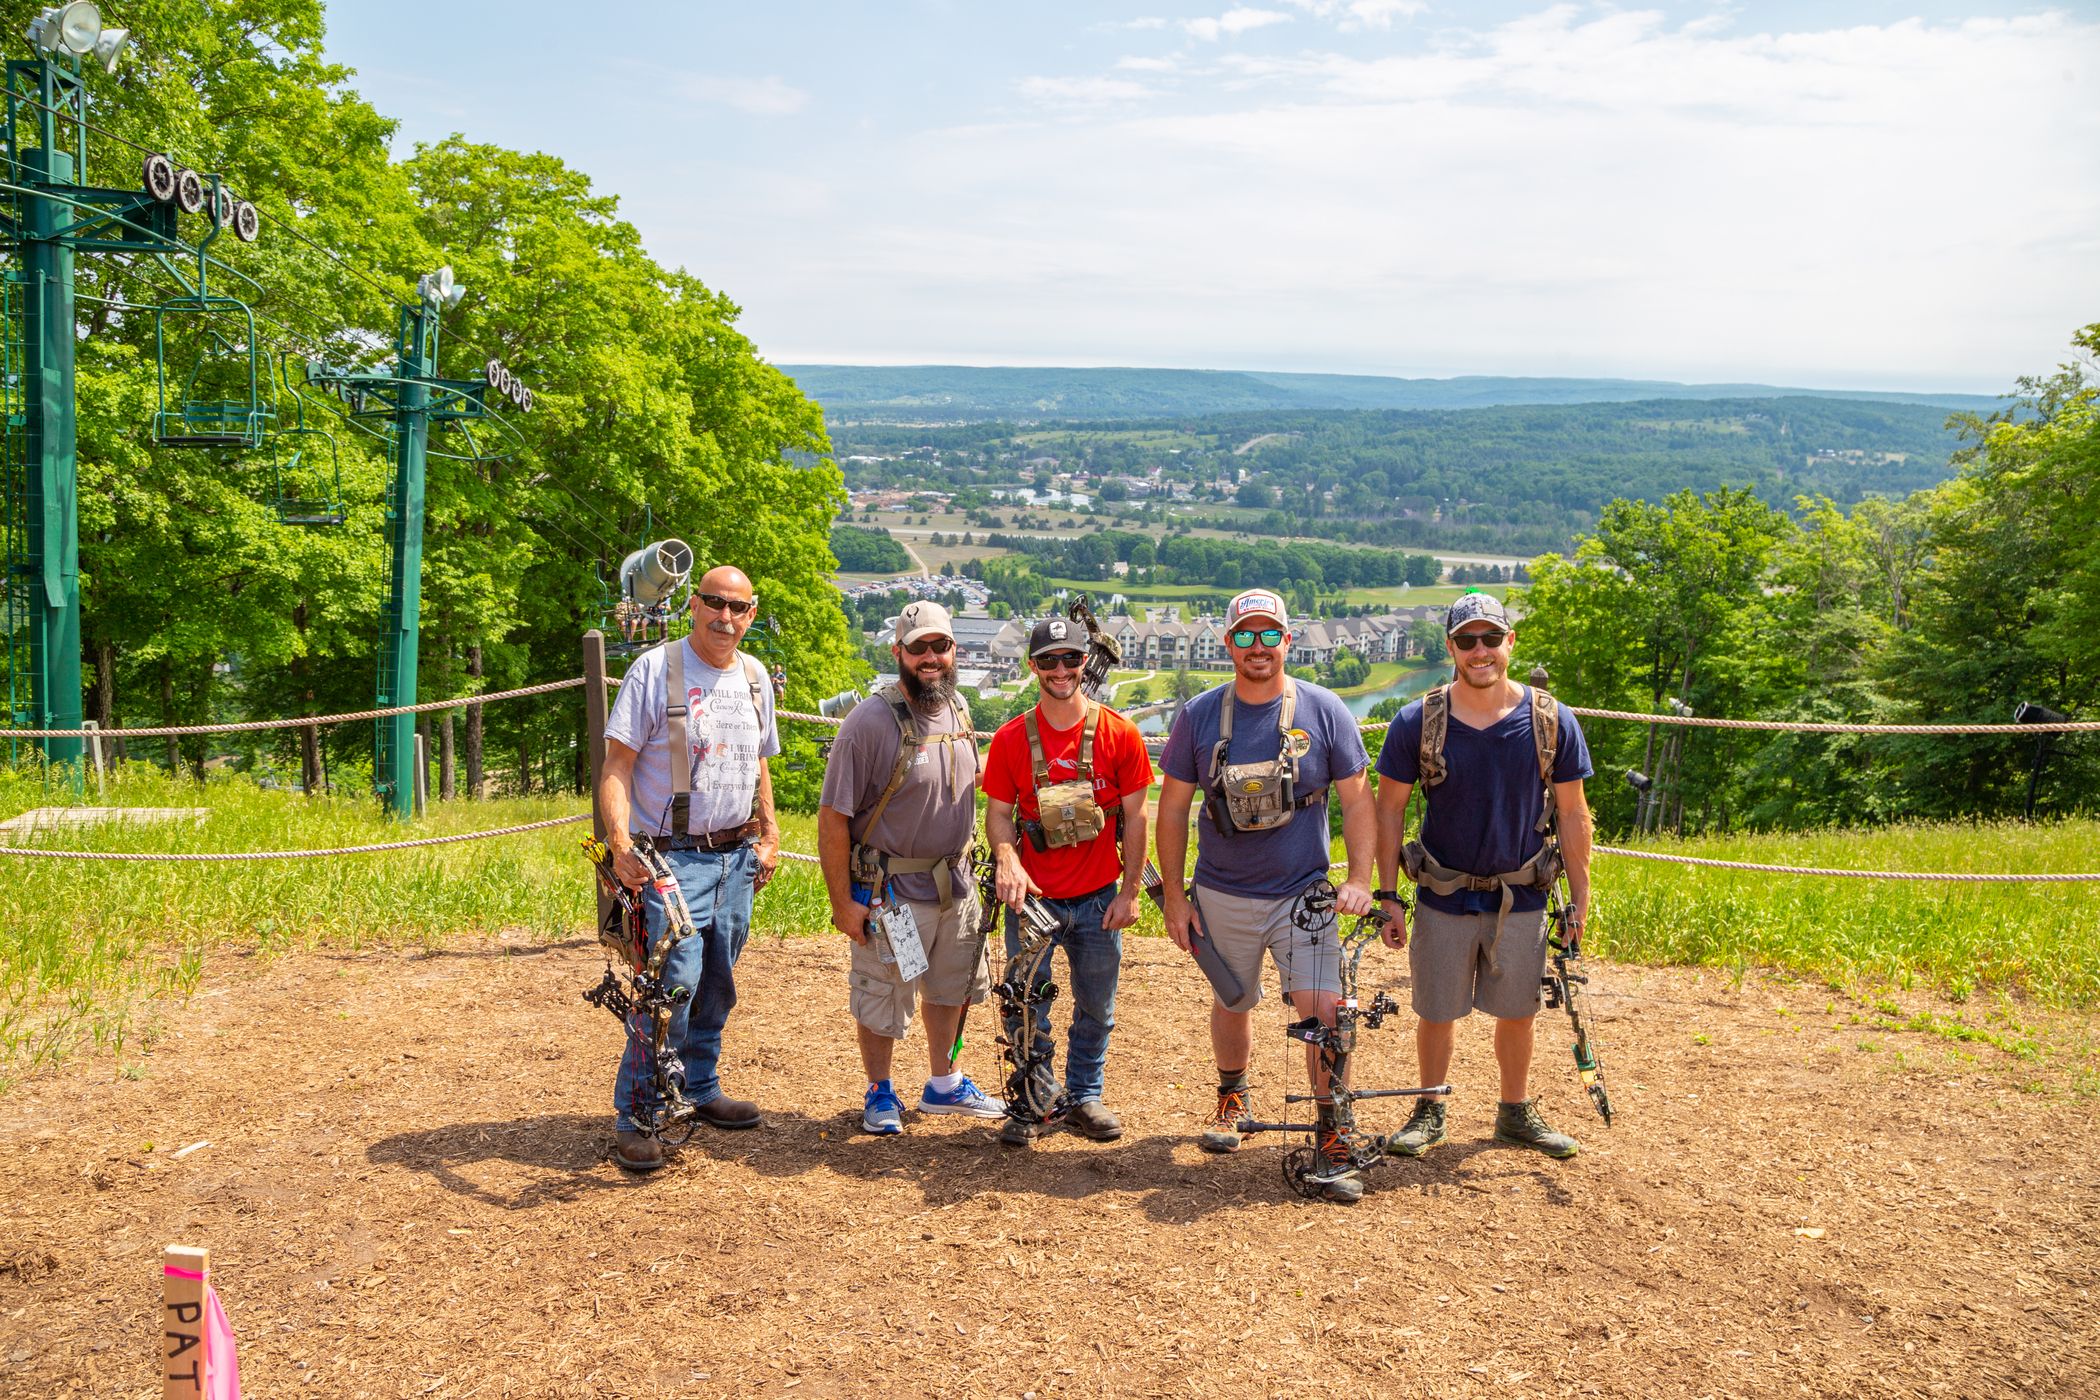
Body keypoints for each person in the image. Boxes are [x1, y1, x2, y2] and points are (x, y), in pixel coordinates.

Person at [1155, 588, 1378, 1203]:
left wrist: (1358, 880)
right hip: (1223, 889)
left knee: (1323, 1011)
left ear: (1288, 639)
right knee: (1234, 999)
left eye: (1270, 635)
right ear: (1228, 643)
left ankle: (1330, 1127)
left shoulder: (1325, 710)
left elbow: (1359, 800)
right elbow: (1172, 809)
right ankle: (1232, 1096)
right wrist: (1175, 895)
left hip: (1303, 890)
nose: (1259, 647)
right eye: (1246, 636)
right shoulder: (1200, 715)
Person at [1373, 591, 1594, 1160]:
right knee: (1437, 1011)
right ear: (1450, 646)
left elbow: (1573, 812)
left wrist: (1581, 901)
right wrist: (1388, 896)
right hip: (1443, 893)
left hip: (1522, 895)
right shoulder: (1417, 721)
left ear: (1509, 644)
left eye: (1490, 639)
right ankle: (1430, 1108)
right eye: (1467, 640)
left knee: (1519, 1011)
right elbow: (1388, 809)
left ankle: (1514, 1112)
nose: (1480, 651)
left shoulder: (1550, 721)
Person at [598, 565, 783, 1173]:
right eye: (714, 604)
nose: (725, 618)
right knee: (668, 986)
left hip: (736, 858)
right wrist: (619, 844)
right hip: (670, 858)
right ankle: (640, 1113)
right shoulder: (655, 670)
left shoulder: (756, 678)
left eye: (738, 607)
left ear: (751, 614)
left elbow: (759, 765)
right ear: (694, 606)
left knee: (718, 982)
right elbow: (616, 766)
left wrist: (770, 833)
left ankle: (700, 1087)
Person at [818, 601, 1004, 1134]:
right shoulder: (869, 723)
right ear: (898, 651)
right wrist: (842, 904)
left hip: (956, 886)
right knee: (887, 989)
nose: (930, 657)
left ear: (954, 651)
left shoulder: (959, 709)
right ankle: (879, 1091)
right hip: (893, 894)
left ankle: (943, 1084)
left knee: (951, 987)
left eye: (940, 646)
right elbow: (832, 819)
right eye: (918, 647)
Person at [982, 617, 1154, 1146]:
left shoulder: (1119, 734)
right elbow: (998, 814)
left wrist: (1130, 894)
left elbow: (1139, 816)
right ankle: (1035, 1096)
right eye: (1049, 660)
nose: (1061, 670)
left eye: (1071, 659)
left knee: (1096, 1005)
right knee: (1026, 1002)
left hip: (1100, 895)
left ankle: (1084, 1095)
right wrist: (1007, 860)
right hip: (1033, 899)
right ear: (1032, 667)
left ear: (1085, 664)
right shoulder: (1012, 739)